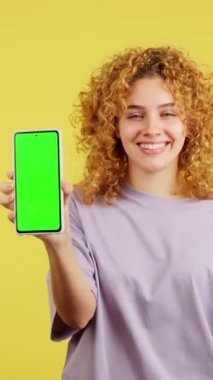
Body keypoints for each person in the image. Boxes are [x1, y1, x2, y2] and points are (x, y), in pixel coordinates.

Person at [1, 46, 213, 379]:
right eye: (134, 114)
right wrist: (58, 242)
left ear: (192, 122)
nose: (152, 128)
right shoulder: (81, 207)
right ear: (113, 125)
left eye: (168, 113)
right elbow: (77, 316)